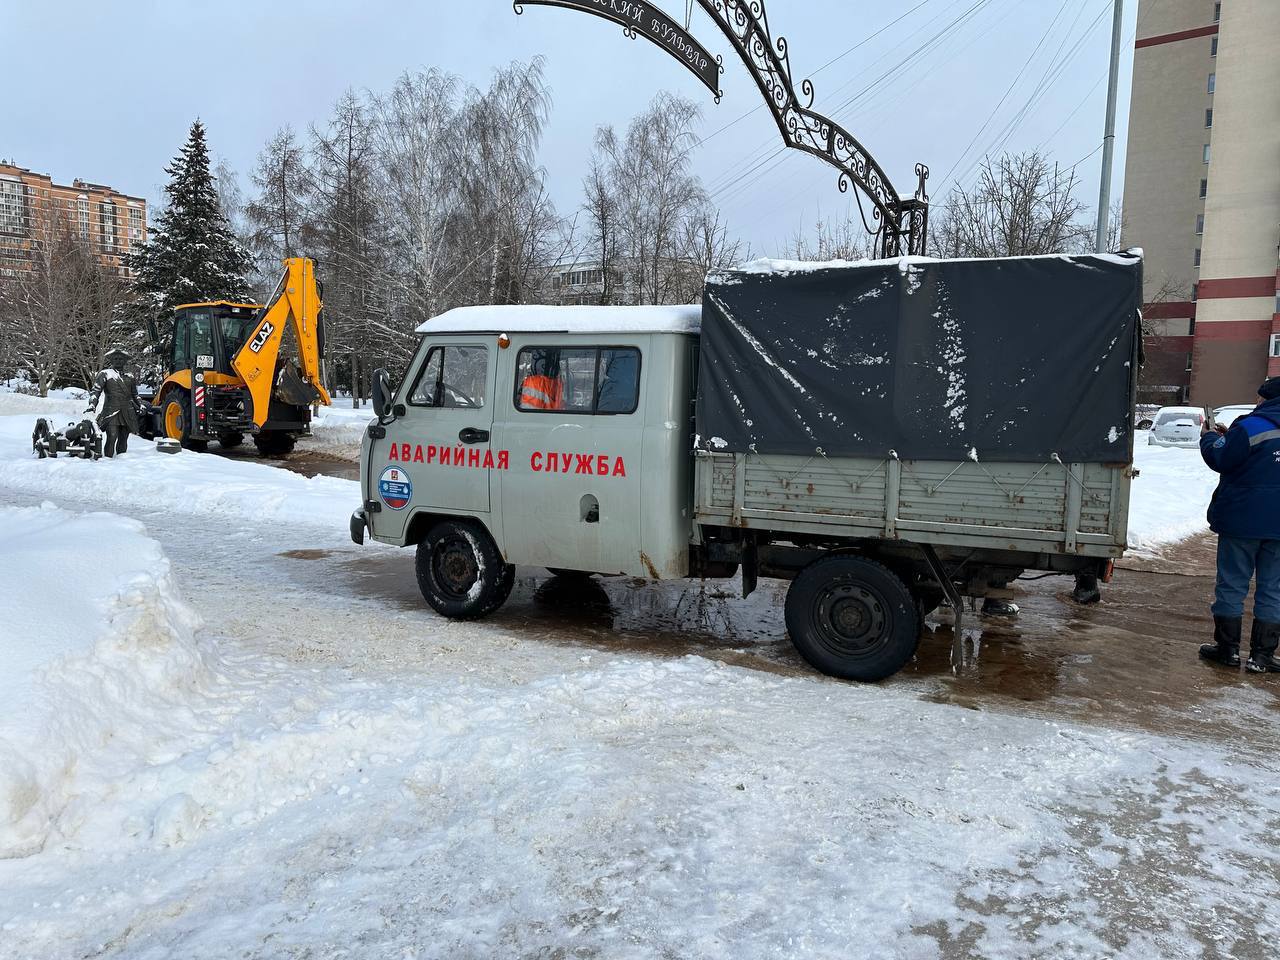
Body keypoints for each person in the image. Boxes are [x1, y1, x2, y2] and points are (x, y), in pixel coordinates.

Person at [1198, 377, 1280, 673]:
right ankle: (1262, 656)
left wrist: (1209, 437)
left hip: (1241, 521)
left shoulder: (1249, 427)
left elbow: (1221, 457)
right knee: (1274, 589)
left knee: (1232, 584)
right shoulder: (1246, 428)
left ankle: (1228, 650)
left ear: (1265, 399)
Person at [85, 348, 141, 458]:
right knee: (112, 436)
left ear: (125, 361)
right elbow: (96, 391)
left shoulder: (130, 377)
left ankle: (121, 459)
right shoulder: (105, 374)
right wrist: (92, 404)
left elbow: (135, 395)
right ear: (111, 360)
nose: (118, 360)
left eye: (121, 359)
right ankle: (108, 460)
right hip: (111, 410)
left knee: (124, 437)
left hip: (127, 412)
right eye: (115, 358)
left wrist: (140, 404)